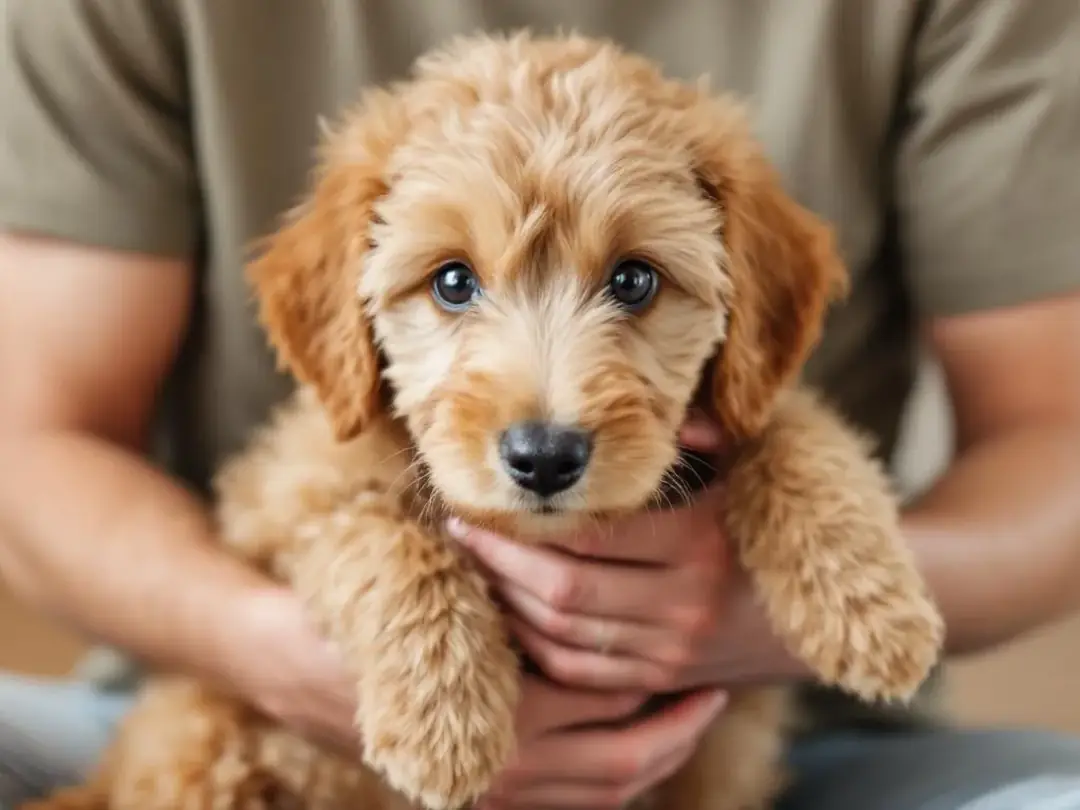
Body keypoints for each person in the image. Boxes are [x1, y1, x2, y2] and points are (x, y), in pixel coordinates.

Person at [2, 1, 1080, 808]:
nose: (550, 407)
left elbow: (1055, 435)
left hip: (809, 748)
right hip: (251, 705)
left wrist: (753, 622)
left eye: (635, 285)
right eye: (454, 287)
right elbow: (29, 446)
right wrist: (277, 649)